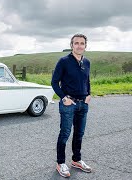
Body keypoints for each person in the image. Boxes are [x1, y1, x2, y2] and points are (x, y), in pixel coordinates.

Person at [51, 34, 92, 178]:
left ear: (85, 46)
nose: (79, 45)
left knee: (79, 134)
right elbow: (54, 83)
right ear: (71, 45)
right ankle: (61, 163)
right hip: (69, 104)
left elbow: (87, 80)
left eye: (82, 43)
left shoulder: (86, 62)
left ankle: (76, 160)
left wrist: (89, 94)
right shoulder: (63, 61)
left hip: (83, 104)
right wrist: (63, 98)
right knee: (65, 133)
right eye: (76, 43)